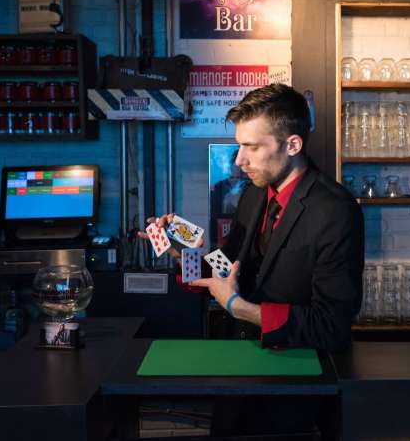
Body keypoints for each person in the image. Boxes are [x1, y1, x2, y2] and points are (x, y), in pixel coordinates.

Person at [146, 83, 364, 352]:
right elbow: (228, 270)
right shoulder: (255, 194)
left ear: (293, 145)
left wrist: (241, 309)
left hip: (300, 374)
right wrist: (184, 253)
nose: (239, 160)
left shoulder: (336, 210)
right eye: (239, 146)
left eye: (252, 147)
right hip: (243, 359)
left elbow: (330, 325)